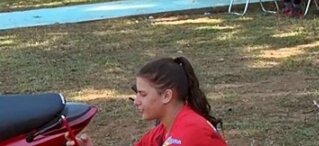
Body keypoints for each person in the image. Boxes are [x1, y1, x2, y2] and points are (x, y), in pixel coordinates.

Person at [66, 57, 226, 146]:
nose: (136, 101)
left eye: (143, 94)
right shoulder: (164, 130)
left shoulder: (189, 132)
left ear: (166, 96)